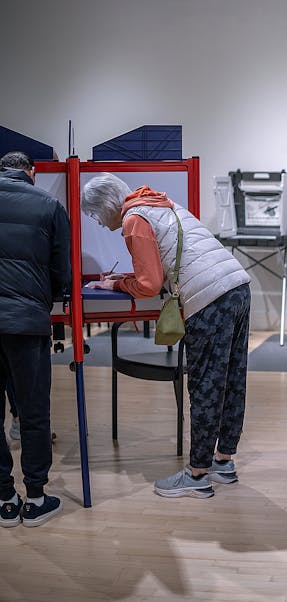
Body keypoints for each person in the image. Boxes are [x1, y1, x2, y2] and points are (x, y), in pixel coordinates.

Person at [82, 173, 251, 499]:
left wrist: (114, 284)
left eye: (95, 215)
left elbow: (148, 285)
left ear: (106, 205)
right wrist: (126, 276)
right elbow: (164, 265)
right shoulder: (158, 204)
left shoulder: (133, 219)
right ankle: (223, 462)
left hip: (209, 299)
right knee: (231, 379)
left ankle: (198, 474)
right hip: (237, 286)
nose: (100, 224)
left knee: (204, 385)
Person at [0, 151, 71, 527]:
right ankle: (37, 497)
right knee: (33, 413)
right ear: (32, 171)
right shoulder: (49, 204)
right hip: (26, 323)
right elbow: (63, 268)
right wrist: (55, 294)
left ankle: (5, 499)